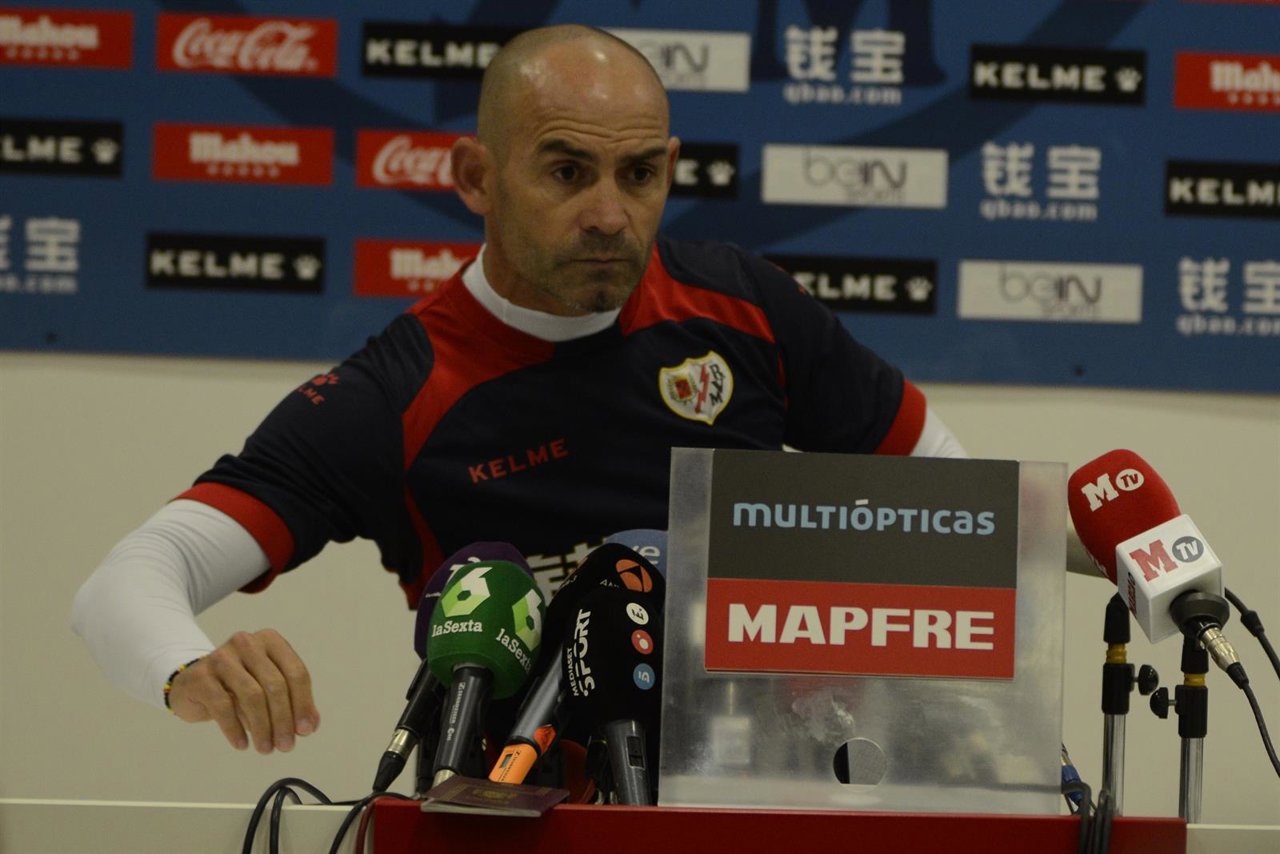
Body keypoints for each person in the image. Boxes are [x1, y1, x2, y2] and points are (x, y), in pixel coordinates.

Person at [71, 24, 965, 760]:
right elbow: (127, 581)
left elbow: (959, 498)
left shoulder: (744, 307)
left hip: (763, 801)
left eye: (641, 174)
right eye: (568, 172)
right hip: (508, 822)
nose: (611, 214)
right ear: (476, 177)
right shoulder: (394, 396)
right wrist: (187, 667)